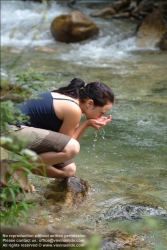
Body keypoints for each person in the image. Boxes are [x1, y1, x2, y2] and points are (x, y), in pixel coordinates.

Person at [0, 78, 114, 192]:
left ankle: (8, 165)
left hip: (15, 131)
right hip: (9, 130)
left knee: (68, 170)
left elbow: (63, 144)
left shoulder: (69, 100)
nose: (101, 116)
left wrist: (87, 124)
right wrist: (86, 124)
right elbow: (69, 146)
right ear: (90, 103)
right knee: (72, 148)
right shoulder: (73, 109)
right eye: (101, 112)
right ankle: (17, 168)